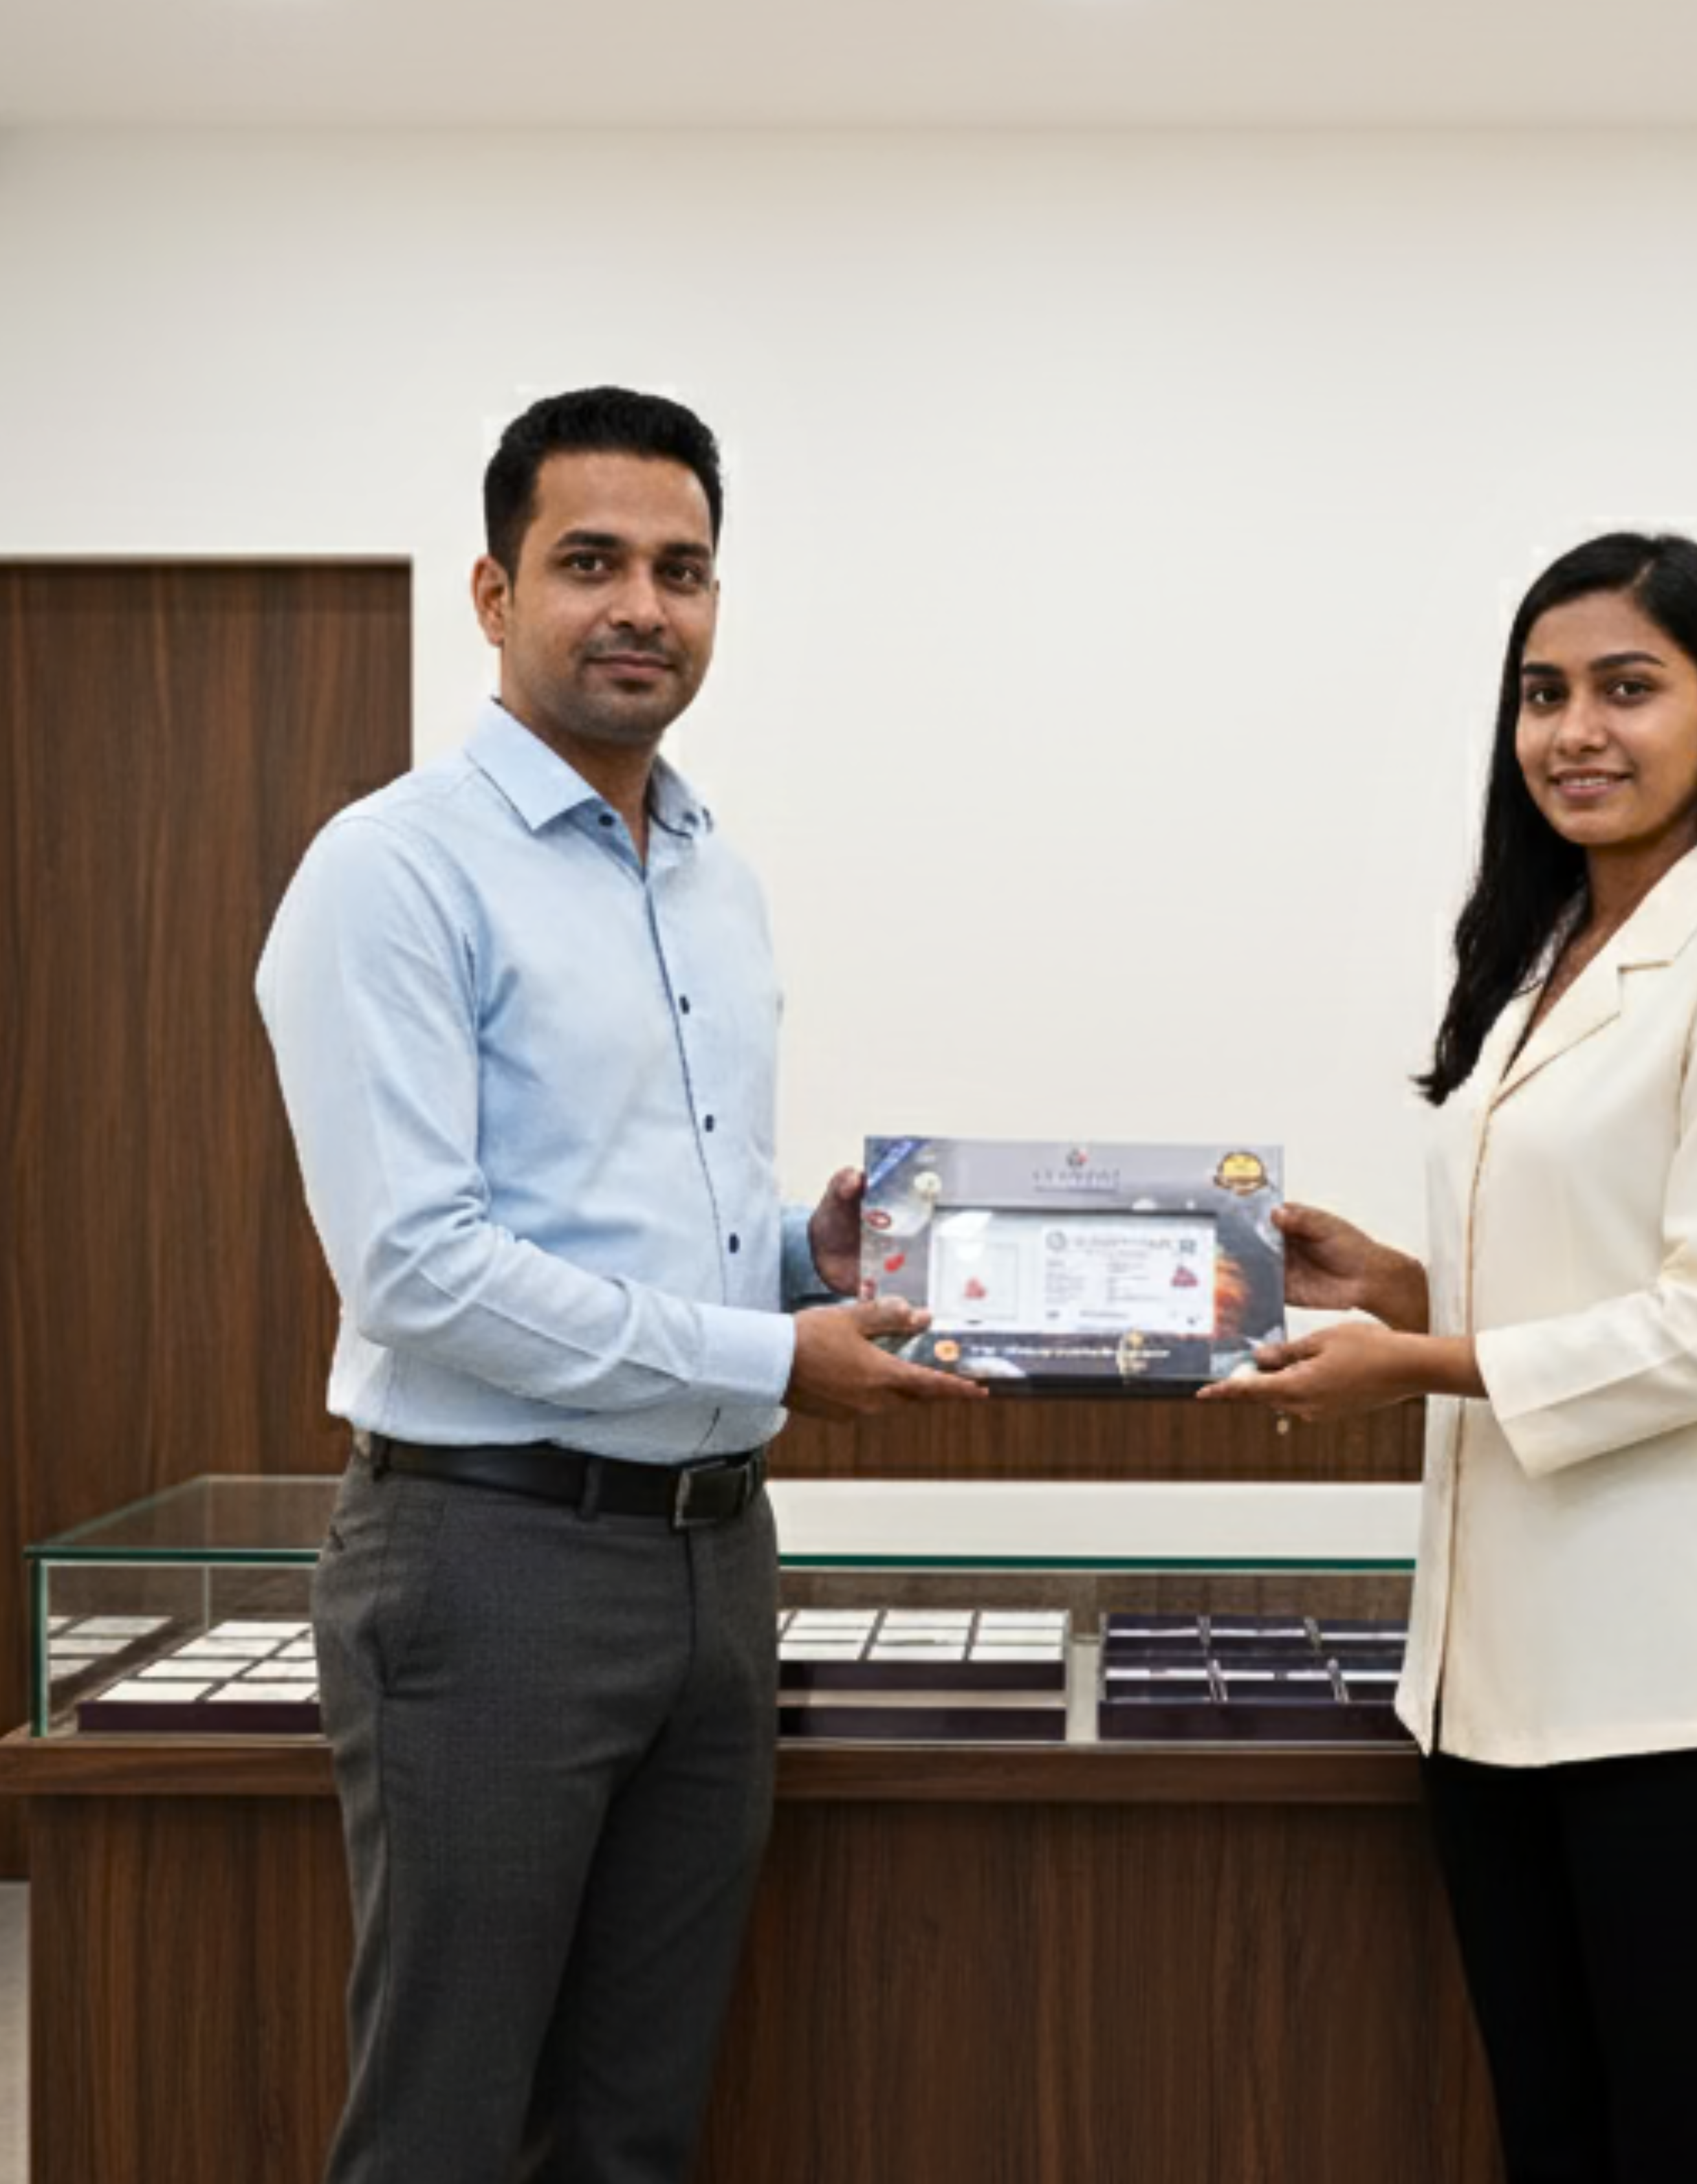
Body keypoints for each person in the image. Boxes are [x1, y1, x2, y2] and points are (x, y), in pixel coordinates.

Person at [256, 385, 981, 2184]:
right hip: (489, 1558)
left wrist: (805, 1256)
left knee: (638, 2125)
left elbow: (647, 1211)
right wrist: (772, 1352)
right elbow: (420, 1269)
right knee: (444, 2126)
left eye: (682, 569)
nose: (642, 606)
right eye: (591, 563)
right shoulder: (393, 870)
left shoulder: (713, 874)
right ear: (493, 594)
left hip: (713, 1560)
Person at [1205, 533, 1697, 2183]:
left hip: (1678, 1676)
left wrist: (1411, 1362)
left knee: (1688, 2140)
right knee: (1553, 2134)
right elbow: (1584, 1269)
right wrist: (1396, 1280)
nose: (1575, 731)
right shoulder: (1543, 955)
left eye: (1626, 688)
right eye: (1542, 693)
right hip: (1491, 1676)